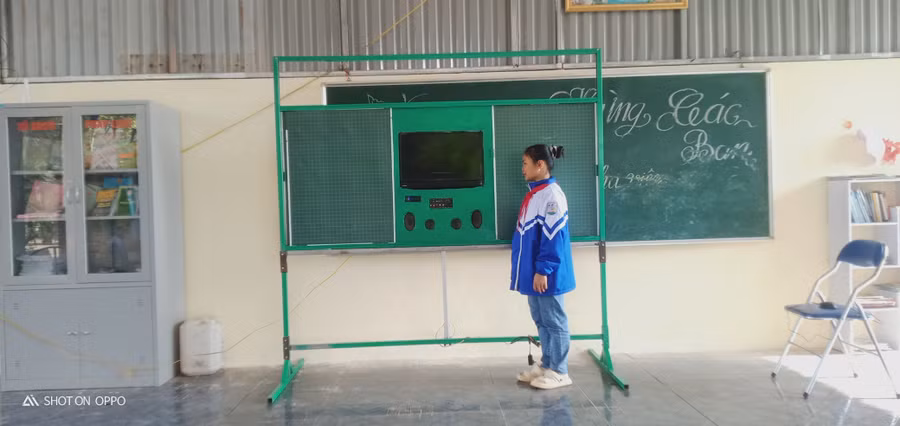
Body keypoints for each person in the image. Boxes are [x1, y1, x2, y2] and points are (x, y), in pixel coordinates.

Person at [511, 144, 576, 390]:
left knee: (554, 320)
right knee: (541, 319)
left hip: (546, 274)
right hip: (534, 272)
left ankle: (560, 371)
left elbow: (554, 237)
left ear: (540, 165)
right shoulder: (535, 194)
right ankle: (548, 364)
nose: (522, 169)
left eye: (525, 163)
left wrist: (543, 270)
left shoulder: (551, 196)